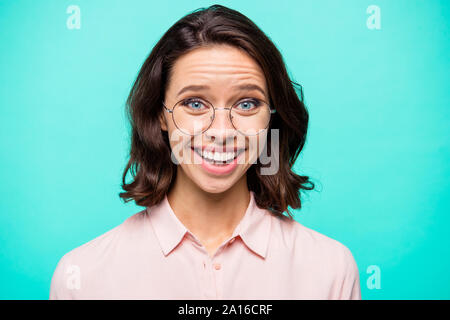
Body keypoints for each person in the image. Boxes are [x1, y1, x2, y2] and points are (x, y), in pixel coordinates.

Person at [49, 4, 361, 300]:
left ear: (271, 118)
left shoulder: (330, 268)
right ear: (160, 115)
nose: (222, 133)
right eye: (195, 103)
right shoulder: (83, 275)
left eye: (247, 104)